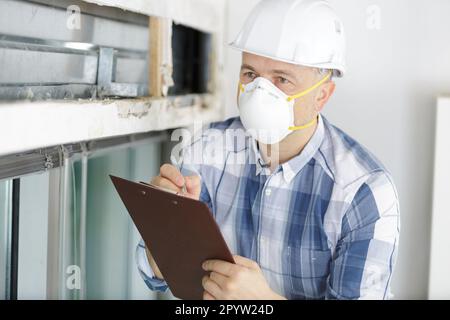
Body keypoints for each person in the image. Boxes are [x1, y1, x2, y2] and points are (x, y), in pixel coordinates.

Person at [136, 0, 400, 300]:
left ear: (322, 95)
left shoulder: (363, 192)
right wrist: (162, 227)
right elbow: (164, 272)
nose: (260, 93)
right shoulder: (208, 149)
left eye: (281, 79)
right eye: (250, 74)